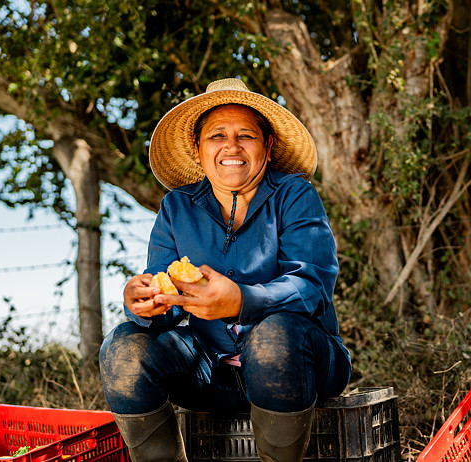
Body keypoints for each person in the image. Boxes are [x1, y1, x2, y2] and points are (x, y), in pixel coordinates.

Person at [99, 77, 352, 462]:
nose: (231, 146)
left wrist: (241, 301)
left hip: (297, 364)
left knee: (273, 337)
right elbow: (162, 285)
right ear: (199, 152)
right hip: (210, 369)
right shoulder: (176, 208)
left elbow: (312, 285)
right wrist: (147, 303)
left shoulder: (294, 195)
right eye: (217, 135)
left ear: (267, 147)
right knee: (124, 348)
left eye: (245, 135)